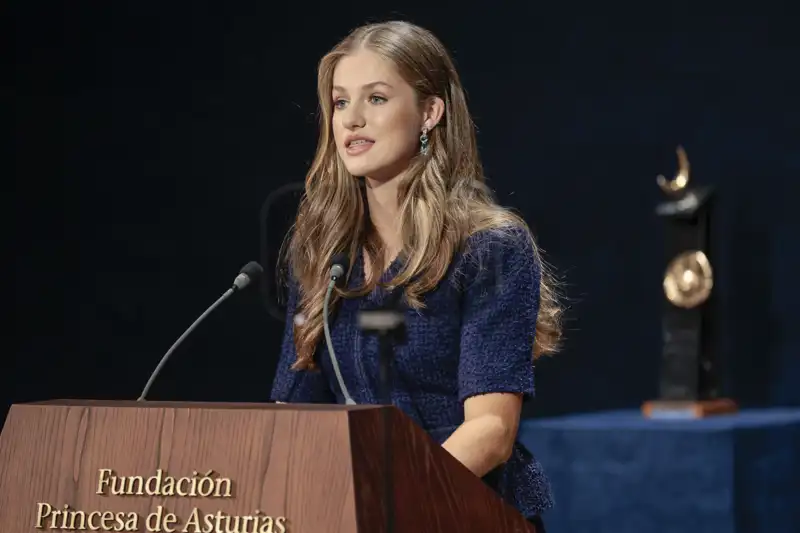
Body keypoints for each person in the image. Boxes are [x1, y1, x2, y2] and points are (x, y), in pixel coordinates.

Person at [269, 20, 564, 530]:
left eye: (376, 99)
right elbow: (291, 414)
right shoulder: (322, 253)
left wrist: (395, 503)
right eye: (340, 103)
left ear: (429, 112)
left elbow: (491, 430)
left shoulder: (490, 248)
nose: (352, 120)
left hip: (462, 510)